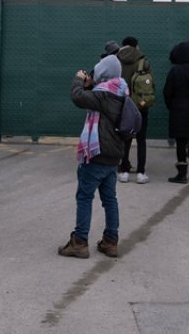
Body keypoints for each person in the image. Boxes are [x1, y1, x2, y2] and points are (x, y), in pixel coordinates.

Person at [58, 55, 128, 259]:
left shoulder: (103, 95)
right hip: (114, 154)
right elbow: (95, 102)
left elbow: (78, 97)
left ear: (103, 74)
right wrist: (91, 85)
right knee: (110, 199)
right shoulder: (121, 91)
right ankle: (110, 241)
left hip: (97, 154)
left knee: (85, 197)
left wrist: (79, 79)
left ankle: (79, 242)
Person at [163, 41, 189, 184]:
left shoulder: (175, 70)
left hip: (179, 109)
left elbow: (167, 92)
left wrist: (172, 105)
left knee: (181, 142)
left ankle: (181, 174)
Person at [116, 36, 152, 183]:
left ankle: (124, 171)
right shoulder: (143, 62)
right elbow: (152, 85)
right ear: (136, 46)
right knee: (141, 139)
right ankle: (141, 173)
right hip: (140, 105)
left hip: (122, 105)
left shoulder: (116, 61)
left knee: (125, 138)